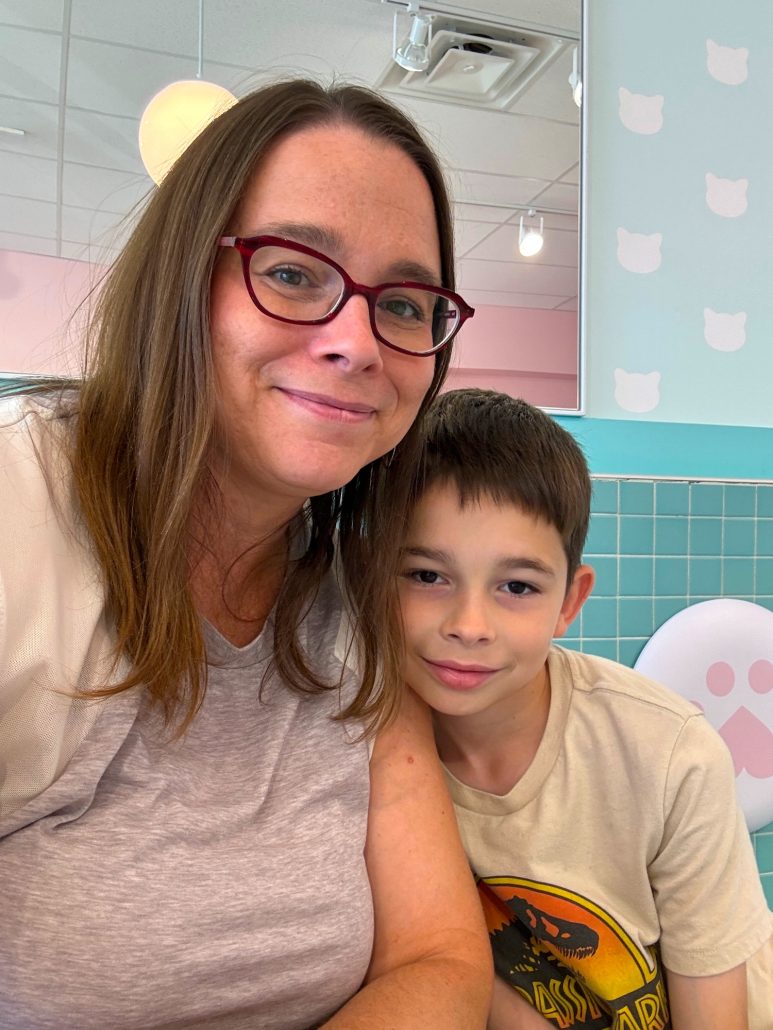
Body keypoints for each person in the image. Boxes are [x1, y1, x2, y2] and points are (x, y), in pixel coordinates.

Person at [0, 81, 494, 1028]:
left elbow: (438, 958)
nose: (357, 343)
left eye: (403, 302)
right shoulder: (24, 509)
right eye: (295, 272)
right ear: (183, 277)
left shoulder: (352, 596)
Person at [395, 388, 773, 1030]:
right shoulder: (359, 744)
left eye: (517, 586)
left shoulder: (668, 753)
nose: (469, 624)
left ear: (570, 602)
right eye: (427, 576)